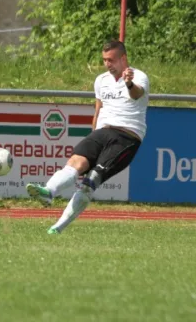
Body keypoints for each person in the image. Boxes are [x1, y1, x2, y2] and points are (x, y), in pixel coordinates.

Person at [27, 40, 149, 234]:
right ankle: (48, 192)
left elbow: (136, 94)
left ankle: (58, 227)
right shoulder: (101, 80)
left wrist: (129, 83)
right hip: (101, 132)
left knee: (90, 182)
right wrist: (93, 134)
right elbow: (98, 110)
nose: (107, 64)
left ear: (123, 58)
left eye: (111, 60)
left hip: (126, 136)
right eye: (104, 60)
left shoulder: (138, 76)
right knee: (75, 162)